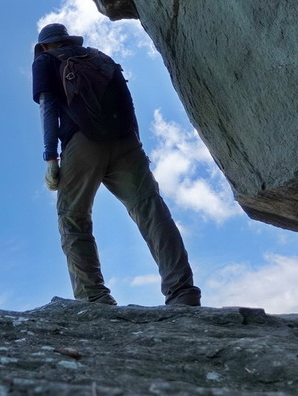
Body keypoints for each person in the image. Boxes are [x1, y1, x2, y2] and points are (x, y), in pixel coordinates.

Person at [32, 23, 201, 307]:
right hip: (126, 142)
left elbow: (48, 107)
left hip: (82, 142)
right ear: (68, 39)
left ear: (46, 45)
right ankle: (182, 291)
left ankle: (94, 298)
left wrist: (50, 156)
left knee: (73, 218)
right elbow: (128, 102)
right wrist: (135, 143)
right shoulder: (100, 57)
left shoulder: (45, 61)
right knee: (150, 208)